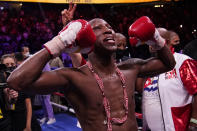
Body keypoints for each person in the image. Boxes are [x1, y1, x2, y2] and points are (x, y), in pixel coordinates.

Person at [7, 15, 175, 131]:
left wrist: (156, 38)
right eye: (98, 28)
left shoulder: (130, 68)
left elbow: (169, 63)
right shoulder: (73, 77)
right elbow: (16, 81)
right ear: (85, 38)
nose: (108, 30)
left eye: (109, 27)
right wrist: (59, 42)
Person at [138, 29, 197, 131]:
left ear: (167, 42)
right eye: (149, 41)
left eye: (155, 39)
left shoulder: (182, 61)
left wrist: (194, 122)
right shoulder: (147, 66)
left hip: (178, 126)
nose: (151, 44)